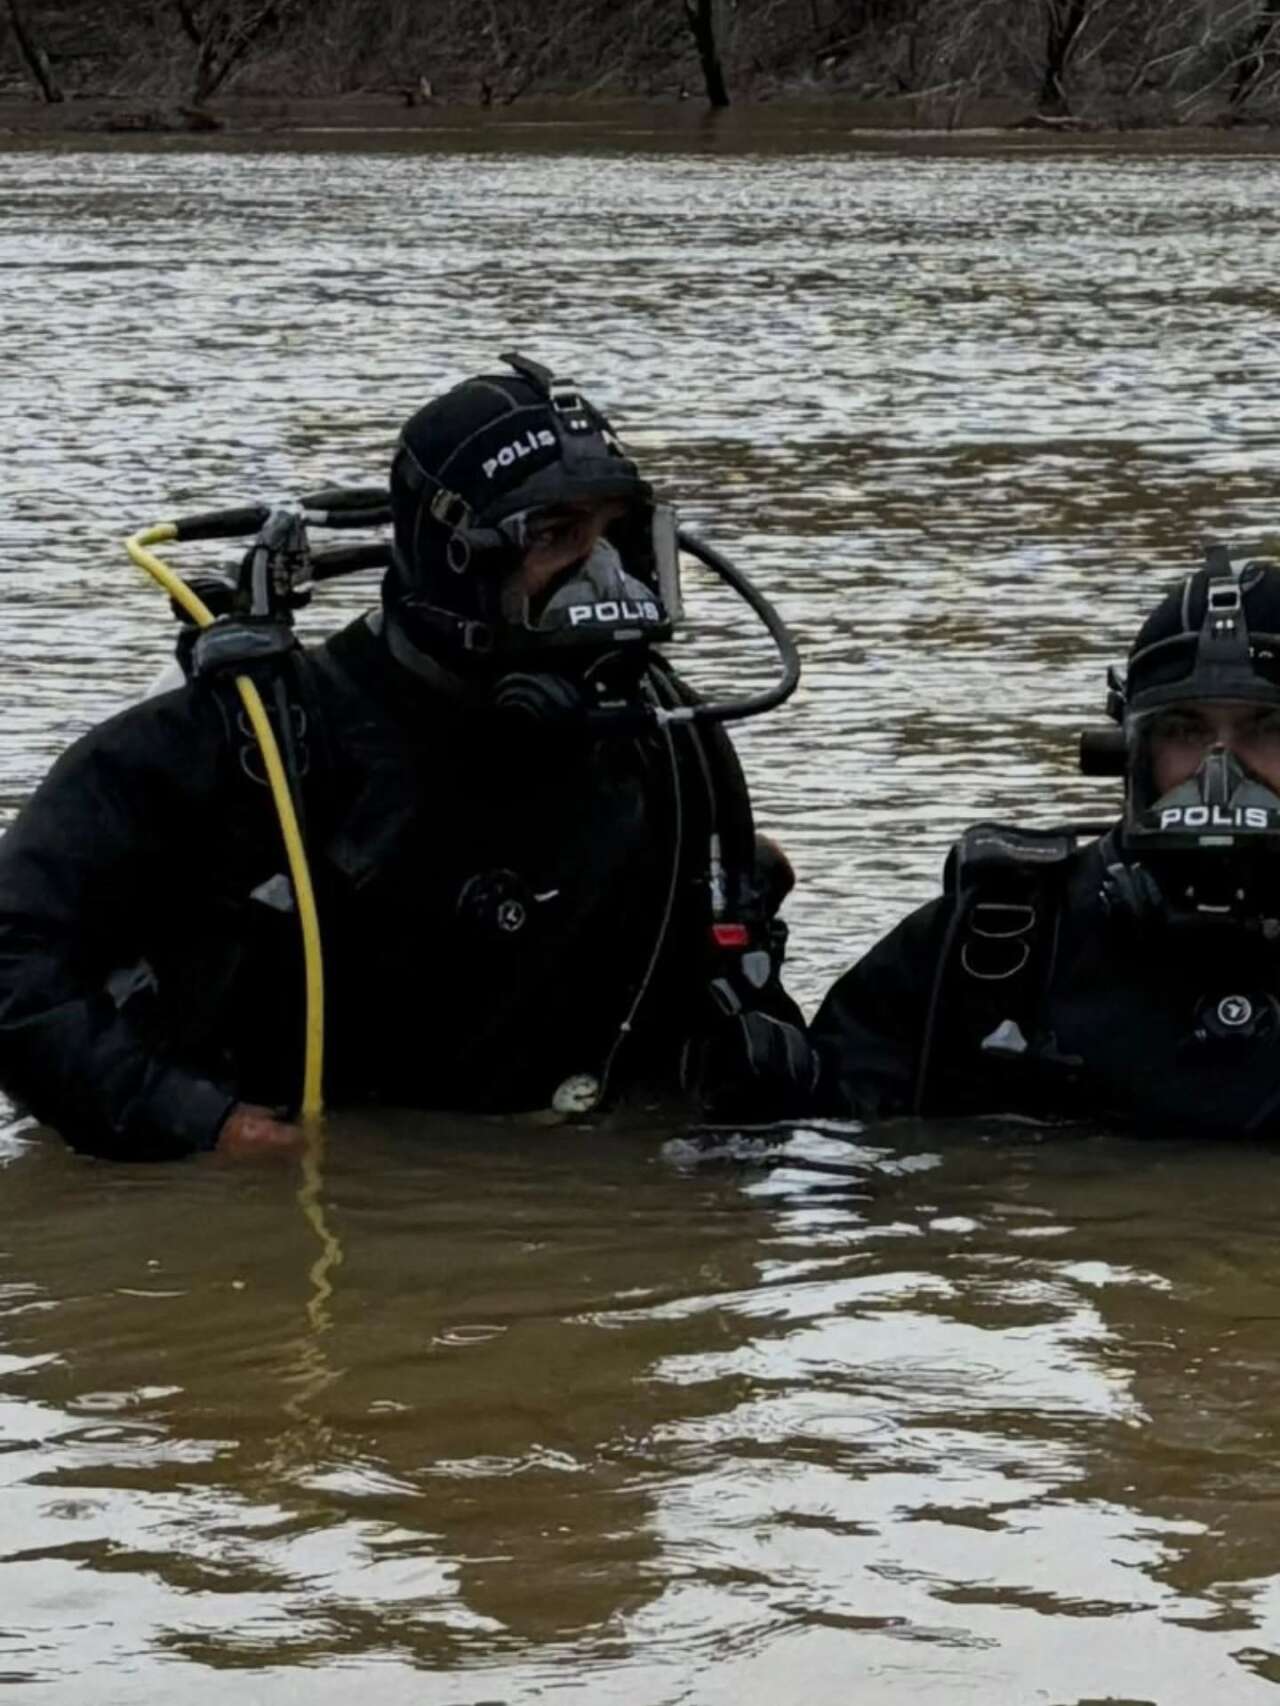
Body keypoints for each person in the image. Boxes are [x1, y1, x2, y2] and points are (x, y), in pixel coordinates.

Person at [0, 355, 813, 1161]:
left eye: (617, 538)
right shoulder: (259, 739)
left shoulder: (669, 750)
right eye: (557, 535)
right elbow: (11, 950)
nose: (600, 577)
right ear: (455, 556)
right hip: (267, 1215)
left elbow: (732, 1014)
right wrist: (186, 1119)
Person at [809, 546, 1280, 1138]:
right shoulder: (1001, 944)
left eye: (1268, 729)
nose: (1221, 772)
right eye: (1184, 731)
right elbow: (813, 1147)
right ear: (1132, 753)